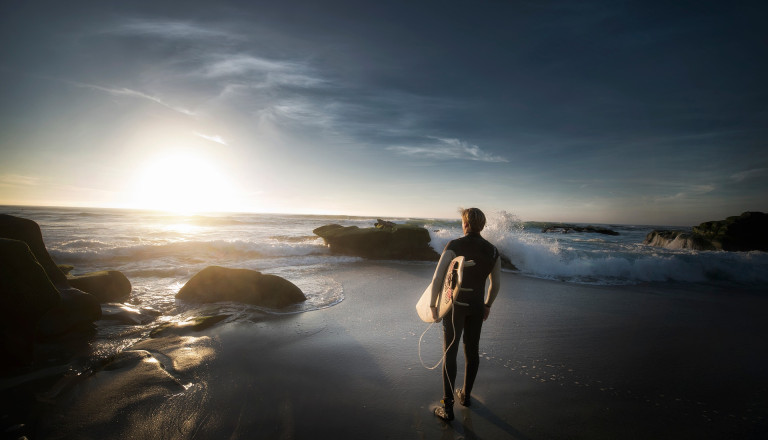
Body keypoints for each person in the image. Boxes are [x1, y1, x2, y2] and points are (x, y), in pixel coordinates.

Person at [430, 207, 501, 422]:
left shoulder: (455, 245)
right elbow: (495, 285)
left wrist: (434, 307)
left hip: (455, 307)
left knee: (450, 352)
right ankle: (466, 397)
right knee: (472, 351)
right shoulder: (493, 251)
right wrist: (487, 304)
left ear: (466, 224)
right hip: (477, 307)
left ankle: (448, 407)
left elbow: (437, 278)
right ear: (482, 225)